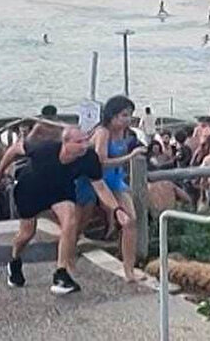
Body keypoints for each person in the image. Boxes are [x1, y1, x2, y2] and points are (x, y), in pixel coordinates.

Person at [0, 127, 131, 294]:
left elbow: (100, 187)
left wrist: (117, 209)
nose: (84, 146)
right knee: (26, 234)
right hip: (31, 189)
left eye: (85, 141)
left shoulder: (89, 158)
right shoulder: (44, 149)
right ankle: (14, 260)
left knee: (71, 220)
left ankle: (61, 274)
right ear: (66, 143)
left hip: (61, 189)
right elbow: (14, 150)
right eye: (79, 142)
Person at [77, 96, 146, 282]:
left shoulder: (124, 133)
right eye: (124, 115)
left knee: (131, 220)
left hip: (115, 180)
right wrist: (129, 157)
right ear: (112, 116)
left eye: (129, 115)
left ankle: (129, 269)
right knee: (79, 223)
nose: (128, 119)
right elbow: (101, 162)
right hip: (95, 179)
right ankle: (67, 257)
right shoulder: (103, 132)